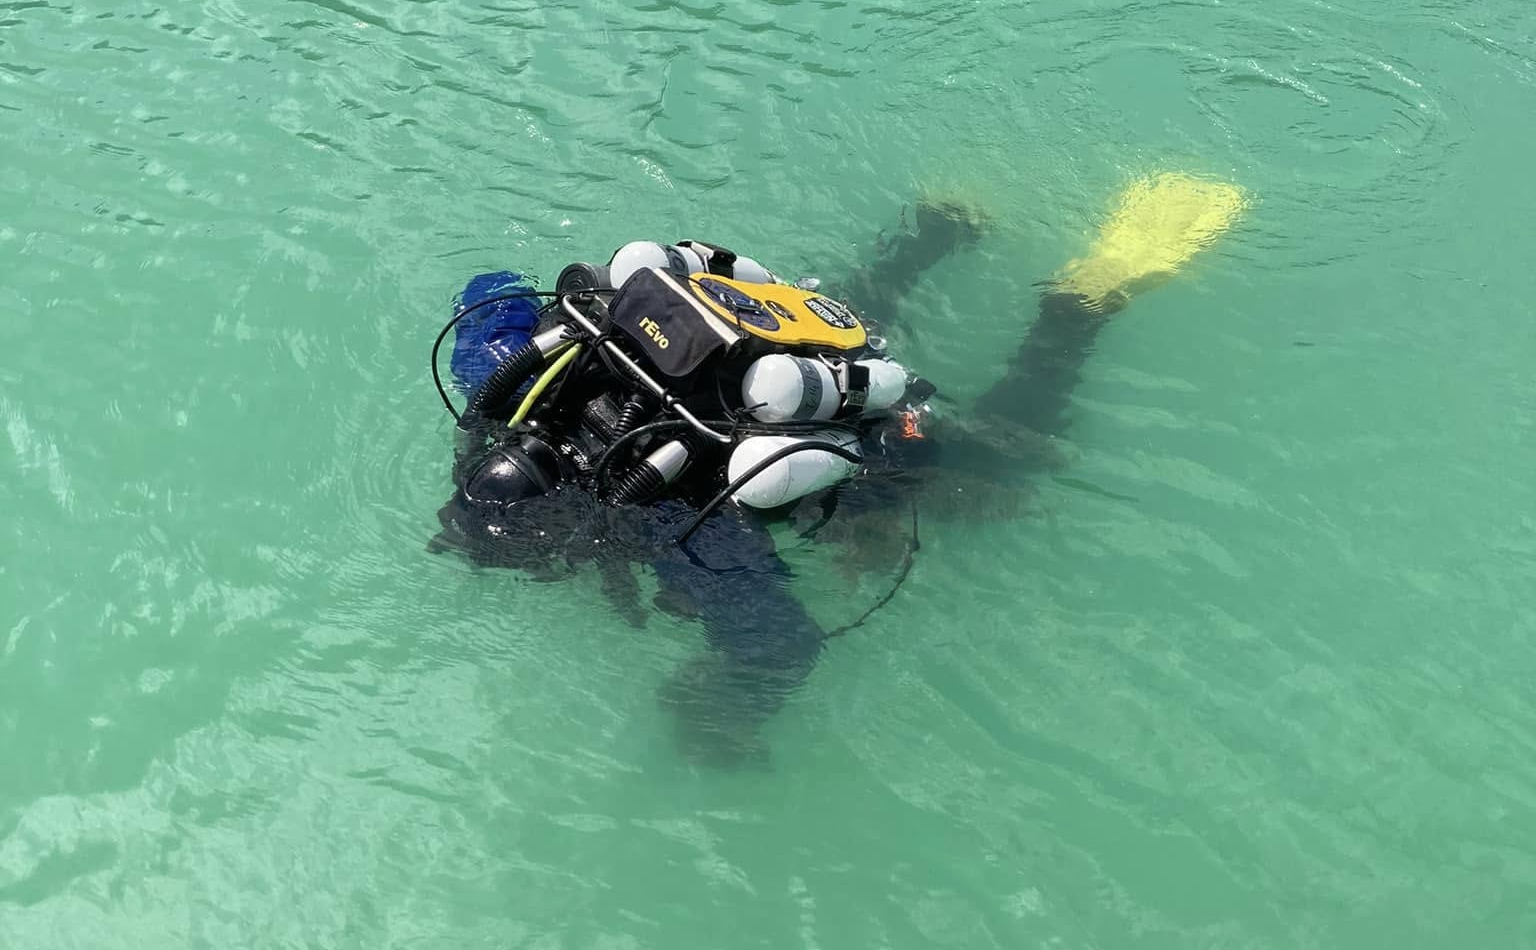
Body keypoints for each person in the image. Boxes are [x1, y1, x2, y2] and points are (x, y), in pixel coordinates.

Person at [431, 176, 1246, 762]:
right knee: (808, 333)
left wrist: (716, 720)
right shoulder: (508, 388)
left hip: (828, 419)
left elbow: (779, 647)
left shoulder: (665, 527)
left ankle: (1076, 308)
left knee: (1003, 459)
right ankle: (940, 225)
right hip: (735, 337)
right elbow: (492, 289)